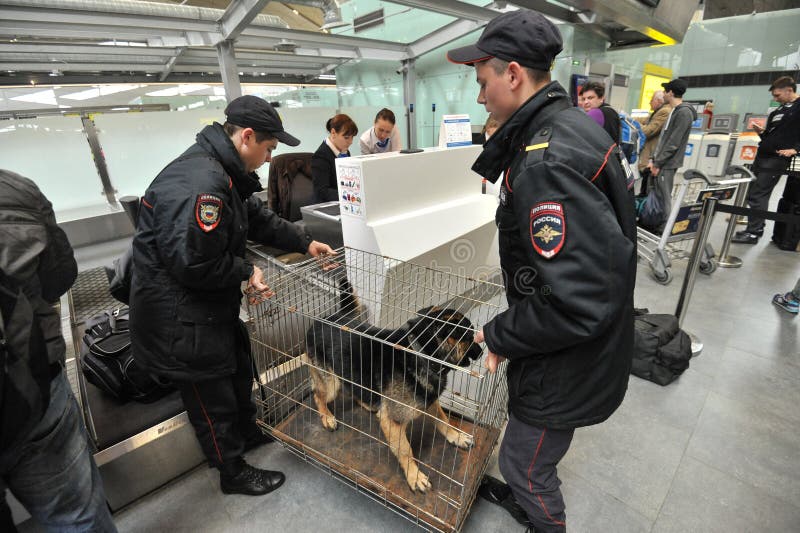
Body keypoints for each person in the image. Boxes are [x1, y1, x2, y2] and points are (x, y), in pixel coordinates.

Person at [447, 10, 637, 533]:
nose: (480, 95)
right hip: (571, 347)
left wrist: (499, 333)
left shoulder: (547, 159)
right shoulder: (566, 128)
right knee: (528, 456)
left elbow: (576, 302)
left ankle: (544, 523)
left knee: (524, 467)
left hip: (568, 359)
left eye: (483, 81)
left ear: (512, 75)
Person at [129, 95, 335, 497]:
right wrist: (246, 270)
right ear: (246, 137)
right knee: (211, 394)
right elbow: (192, 263)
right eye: (269, 149)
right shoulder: (202, 186)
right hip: (179, 317)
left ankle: (248, 434)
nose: (268, 157)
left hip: (205, 306)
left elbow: (256, 218)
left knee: (238, 368)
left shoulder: (225, 173)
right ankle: (232, 471)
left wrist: (305, 241)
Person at [0, 169, 117, 532]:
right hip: (30, 390)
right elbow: (60, 276)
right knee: (77, 517)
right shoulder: (13, 188)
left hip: (22, 388)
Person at [732, 76, 800, 244]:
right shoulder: (779, 110)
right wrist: (761, 132)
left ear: (789, 90)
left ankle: (754, 232)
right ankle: (755, 227)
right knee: (752, 193)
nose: (775, 99)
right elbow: (772, 135)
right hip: (763, 156)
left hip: (776, 159)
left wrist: (796, 149)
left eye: (777, 95)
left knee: (758, 194)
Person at [648, 78, 697, 230]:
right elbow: (665, 139)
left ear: (670, 92)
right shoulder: (675, 111)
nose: (663, 94)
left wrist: (658, 163)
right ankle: (656, 221)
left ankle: (665, 227)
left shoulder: (684, 113)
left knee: (664, 194)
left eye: (665, 91)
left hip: (667, 163)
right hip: (662, 161)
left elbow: (673, 143)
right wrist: (653, 159)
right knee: (659, 193)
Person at [312, 114, 358, 203]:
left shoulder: (344, 152)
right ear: (333, 133)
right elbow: (322, 192)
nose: (351, 142)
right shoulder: (320, 156)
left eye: (352, 137)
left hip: (344, 203)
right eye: (346, 137)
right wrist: (350, 195)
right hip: (326, 207)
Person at [636, 90, 672, 196]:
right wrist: (630, 118)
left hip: (652, 159)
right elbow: (645, 120)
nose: (650, 103)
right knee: (645, 189)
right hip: (651, 159)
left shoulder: (664, 112)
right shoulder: (658, 112)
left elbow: (647, 131)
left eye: (651, 100)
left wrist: (636, 125)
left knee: (647, 192)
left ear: (659, 101)